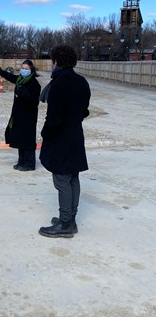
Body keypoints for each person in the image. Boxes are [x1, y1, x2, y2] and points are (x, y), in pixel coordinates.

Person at [38, 44, 91, 238]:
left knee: (62, 179)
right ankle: (70, 219)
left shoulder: (59, 83)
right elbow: (85, 110)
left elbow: (54, 118)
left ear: (56, 61)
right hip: (76, 134)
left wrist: (45, 134)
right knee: (73, 177)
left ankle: (65, 223)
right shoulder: (82, 81)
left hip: (61, 137)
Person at [0, 59, 41, 171]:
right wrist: (2, 72)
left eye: (26, 69)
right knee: (20, 138)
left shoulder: (34, 84)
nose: (23, 70)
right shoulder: (20, 80)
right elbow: (12, 78)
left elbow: (35, 102)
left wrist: (25, 94)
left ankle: (30, 164)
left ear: (31, 70)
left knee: (28, 139)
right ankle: (21, 161)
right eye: (22, 68)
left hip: (29, 115)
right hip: (18, 114)